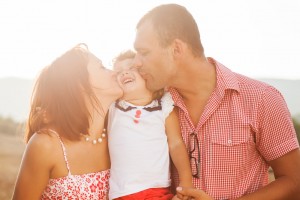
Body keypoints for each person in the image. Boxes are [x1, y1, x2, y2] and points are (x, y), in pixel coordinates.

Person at [132, 3, 300, 200]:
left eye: (144, 52)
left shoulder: (262, 99)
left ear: (176, 49)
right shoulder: (151, 106)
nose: (136, 62)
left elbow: (294, 182)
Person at [12, 44, 123, 200]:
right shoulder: (46, 145)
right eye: (102, 67)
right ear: (80, 85)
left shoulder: (120, 135)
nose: (114, 73)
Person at [107, 50, 193, 200]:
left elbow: (176, 143)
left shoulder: (163, 106)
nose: (124, 73)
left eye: (131, 68)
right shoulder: (113, 107)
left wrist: (186, 181)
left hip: (157, 190)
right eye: (118, 72)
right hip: (122, 192)